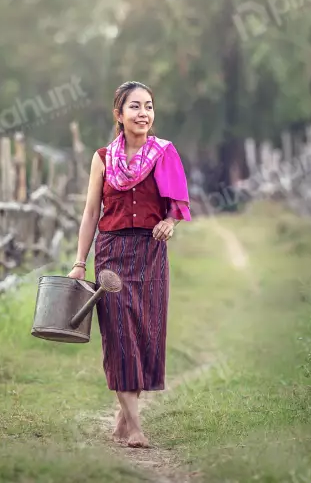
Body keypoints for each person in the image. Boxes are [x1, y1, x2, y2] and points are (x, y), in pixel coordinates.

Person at [68, 81, 191, 448]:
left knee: (146, 335)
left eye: (149, 106)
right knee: (119, 336)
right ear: (118, 115)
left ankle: (123, 419)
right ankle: (136, 426)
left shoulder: (165, 153)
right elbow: (91, 212)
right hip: (111, 256)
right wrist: (79, 262)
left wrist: (170, 223)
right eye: (135, 107)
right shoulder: (103, 158)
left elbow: (176, 207)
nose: (143, 114)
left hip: (150, 255)